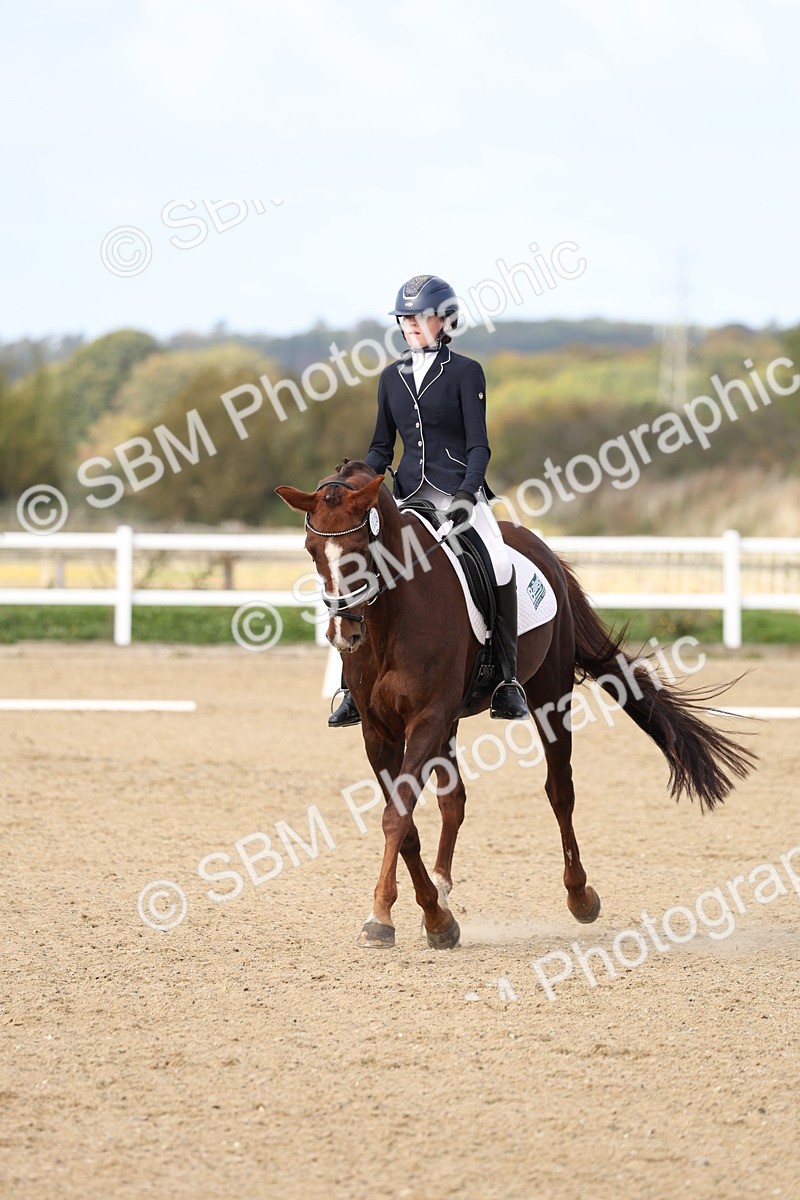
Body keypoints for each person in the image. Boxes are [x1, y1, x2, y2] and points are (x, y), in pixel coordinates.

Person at [329, 273, 530, 727]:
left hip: (460, 497)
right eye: (406, 318)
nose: (413, 325)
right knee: (358, 571)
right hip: (407, 499)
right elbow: (382, 448)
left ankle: (506, 680)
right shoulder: (390, 378)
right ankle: (351, 687)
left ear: (446, 320)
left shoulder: (466, 372)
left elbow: (479, 446)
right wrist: (357, 486)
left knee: (499, 563)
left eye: (423, 318)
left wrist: (466, 494)